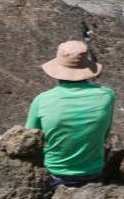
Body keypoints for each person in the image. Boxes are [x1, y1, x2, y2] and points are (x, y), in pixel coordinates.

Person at [26, 40, 115, 187]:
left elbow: (30, 141)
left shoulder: (42, 100)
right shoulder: (107, 96)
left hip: (54, 175)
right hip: (94, 174)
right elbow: (105, 134)